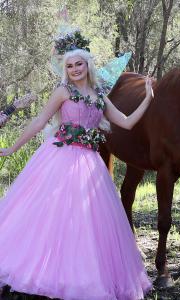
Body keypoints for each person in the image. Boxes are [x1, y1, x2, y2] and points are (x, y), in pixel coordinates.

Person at [0, 32, 153, 299]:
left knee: (86, 223)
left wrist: (148, 98)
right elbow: (39, 122)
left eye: (78, 64)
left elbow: (126, 121)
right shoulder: (63, 91)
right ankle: (40, 272)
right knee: (50, 215)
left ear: (87, 65)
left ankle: (80, 277)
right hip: (59, 157)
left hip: (90, 164)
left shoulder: (99, 95)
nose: (74, 70)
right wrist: (12, 148)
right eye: (69, 66)